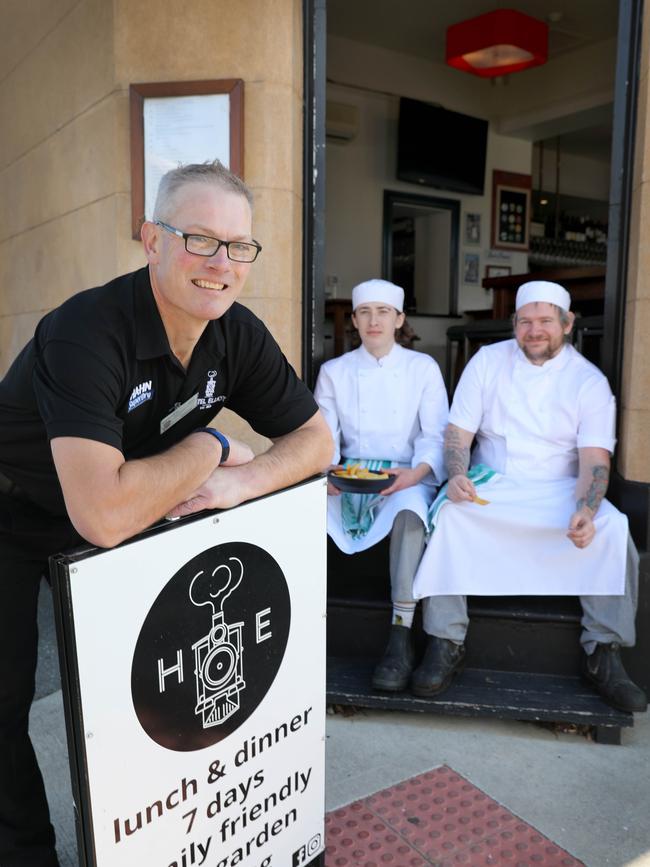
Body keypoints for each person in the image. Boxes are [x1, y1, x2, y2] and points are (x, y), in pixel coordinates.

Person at [0, 161, 332, 867]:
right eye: (199, 238)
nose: (221, 263)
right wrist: (211, 446)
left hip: (125, 502)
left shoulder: (235, 333)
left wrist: (246, 485)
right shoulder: (87, 329)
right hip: (13, 505)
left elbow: (318, 440)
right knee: (3, 701)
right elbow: (105, 512)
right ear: (151, 239)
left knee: (151, 693)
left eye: (239, 245)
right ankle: (25, 851)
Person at [411, 280, 647, 714]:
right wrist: (457, 475)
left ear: (567, 323)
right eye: (525, 322)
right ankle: (446, 641)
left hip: (562, 487)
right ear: (515, 324)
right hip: (493, 482)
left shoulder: (588, 381)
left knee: (612, 528)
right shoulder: (487, 362)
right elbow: (457, 434)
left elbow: (595, 461)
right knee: (450, 517)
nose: (534, 331)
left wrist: (585, 510)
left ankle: (604, 652)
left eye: (545, 321)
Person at [314, 279, 448, 692]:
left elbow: (435, 433)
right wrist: (328, 471)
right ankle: (303, 622)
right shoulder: (334, 372)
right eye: (365, 313)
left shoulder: (422, 368)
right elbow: (324, 435)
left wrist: (417, 473)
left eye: (384, 312)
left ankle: (400, 636)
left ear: (400, 319)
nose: (374, 321)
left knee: (410, 512)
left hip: (404, 474)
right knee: (304, 508)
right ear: (354, 320)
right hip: (350, 475)